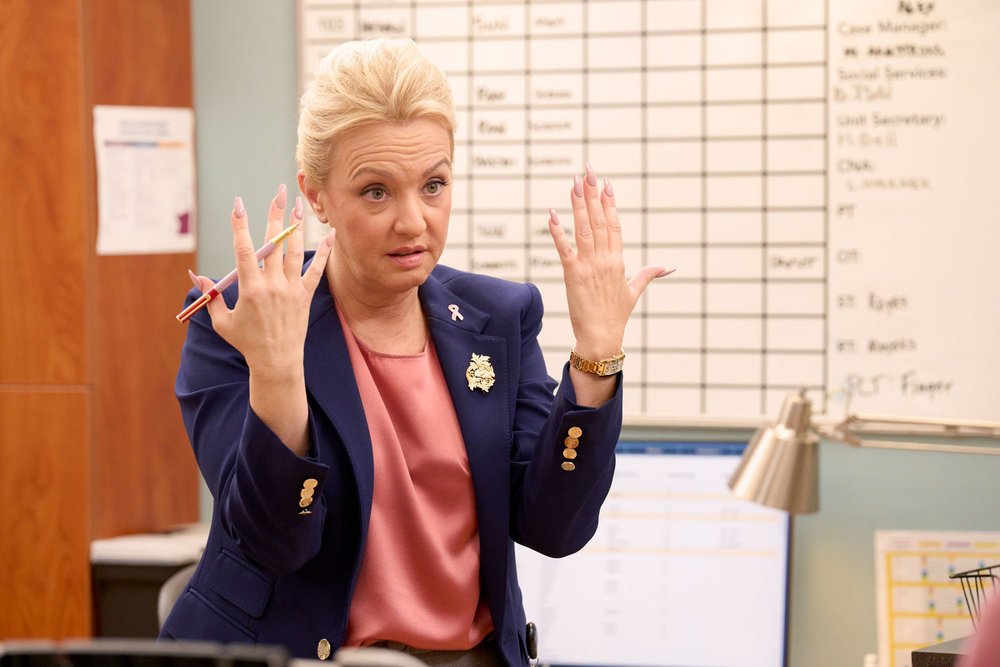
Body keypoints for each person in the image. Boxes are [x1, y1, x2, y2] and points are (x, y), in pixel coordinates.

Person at [160, 38, 669, 666]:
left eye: (433, 185)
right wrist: (277, 371)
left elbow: (554, 528)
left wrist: (596, 354)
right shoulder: (240, 320)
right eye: (376, 191)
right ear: (317, 196)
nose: (413, 222)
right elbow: (275, 544)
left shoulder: (500, 318)